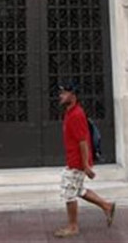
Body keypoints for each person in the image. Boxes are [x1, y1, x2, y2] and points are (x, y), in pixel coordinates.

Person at [54, 79, 116, 238]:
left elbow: (83, 142)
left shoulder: (76, 114)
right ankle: (106, 206)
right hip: (74, 159)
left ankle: (73, 227)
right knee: (78, 189)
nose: (60, 95)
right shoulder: (70, 112)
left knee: (69, 193)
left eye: (64, 93)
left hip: (77, 162)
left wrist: (86, 165)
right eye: (60, 92)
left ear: (73, 95)